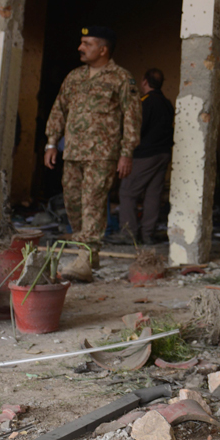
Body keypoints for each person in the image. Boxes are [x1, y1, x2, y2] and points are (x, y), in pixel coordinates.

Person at [44, 26, 142, 283]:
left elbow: (132, 118)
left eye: (87, 43)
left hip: (103, 154)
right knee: (73, 203)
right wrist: (51, 143)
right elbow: (59, 109)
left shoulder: (122, 78)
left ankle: (84, 258)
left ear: (103, 49)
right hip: (73, 152)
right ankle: (89, 253)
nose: (80, 47)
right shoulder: (74, 77)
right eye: (81, 42)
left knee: (93, 202)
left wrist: (126, 153)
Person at [115, 68, 175, 245]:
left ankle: (128, 234)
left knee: (127, 192)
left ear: (145, 81)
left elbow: (137, 129)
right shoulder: (167, 103)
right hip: (163, 153)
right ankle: (148, 234)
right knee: (153, 195)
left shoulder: (145, 102)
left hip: (146, 154)